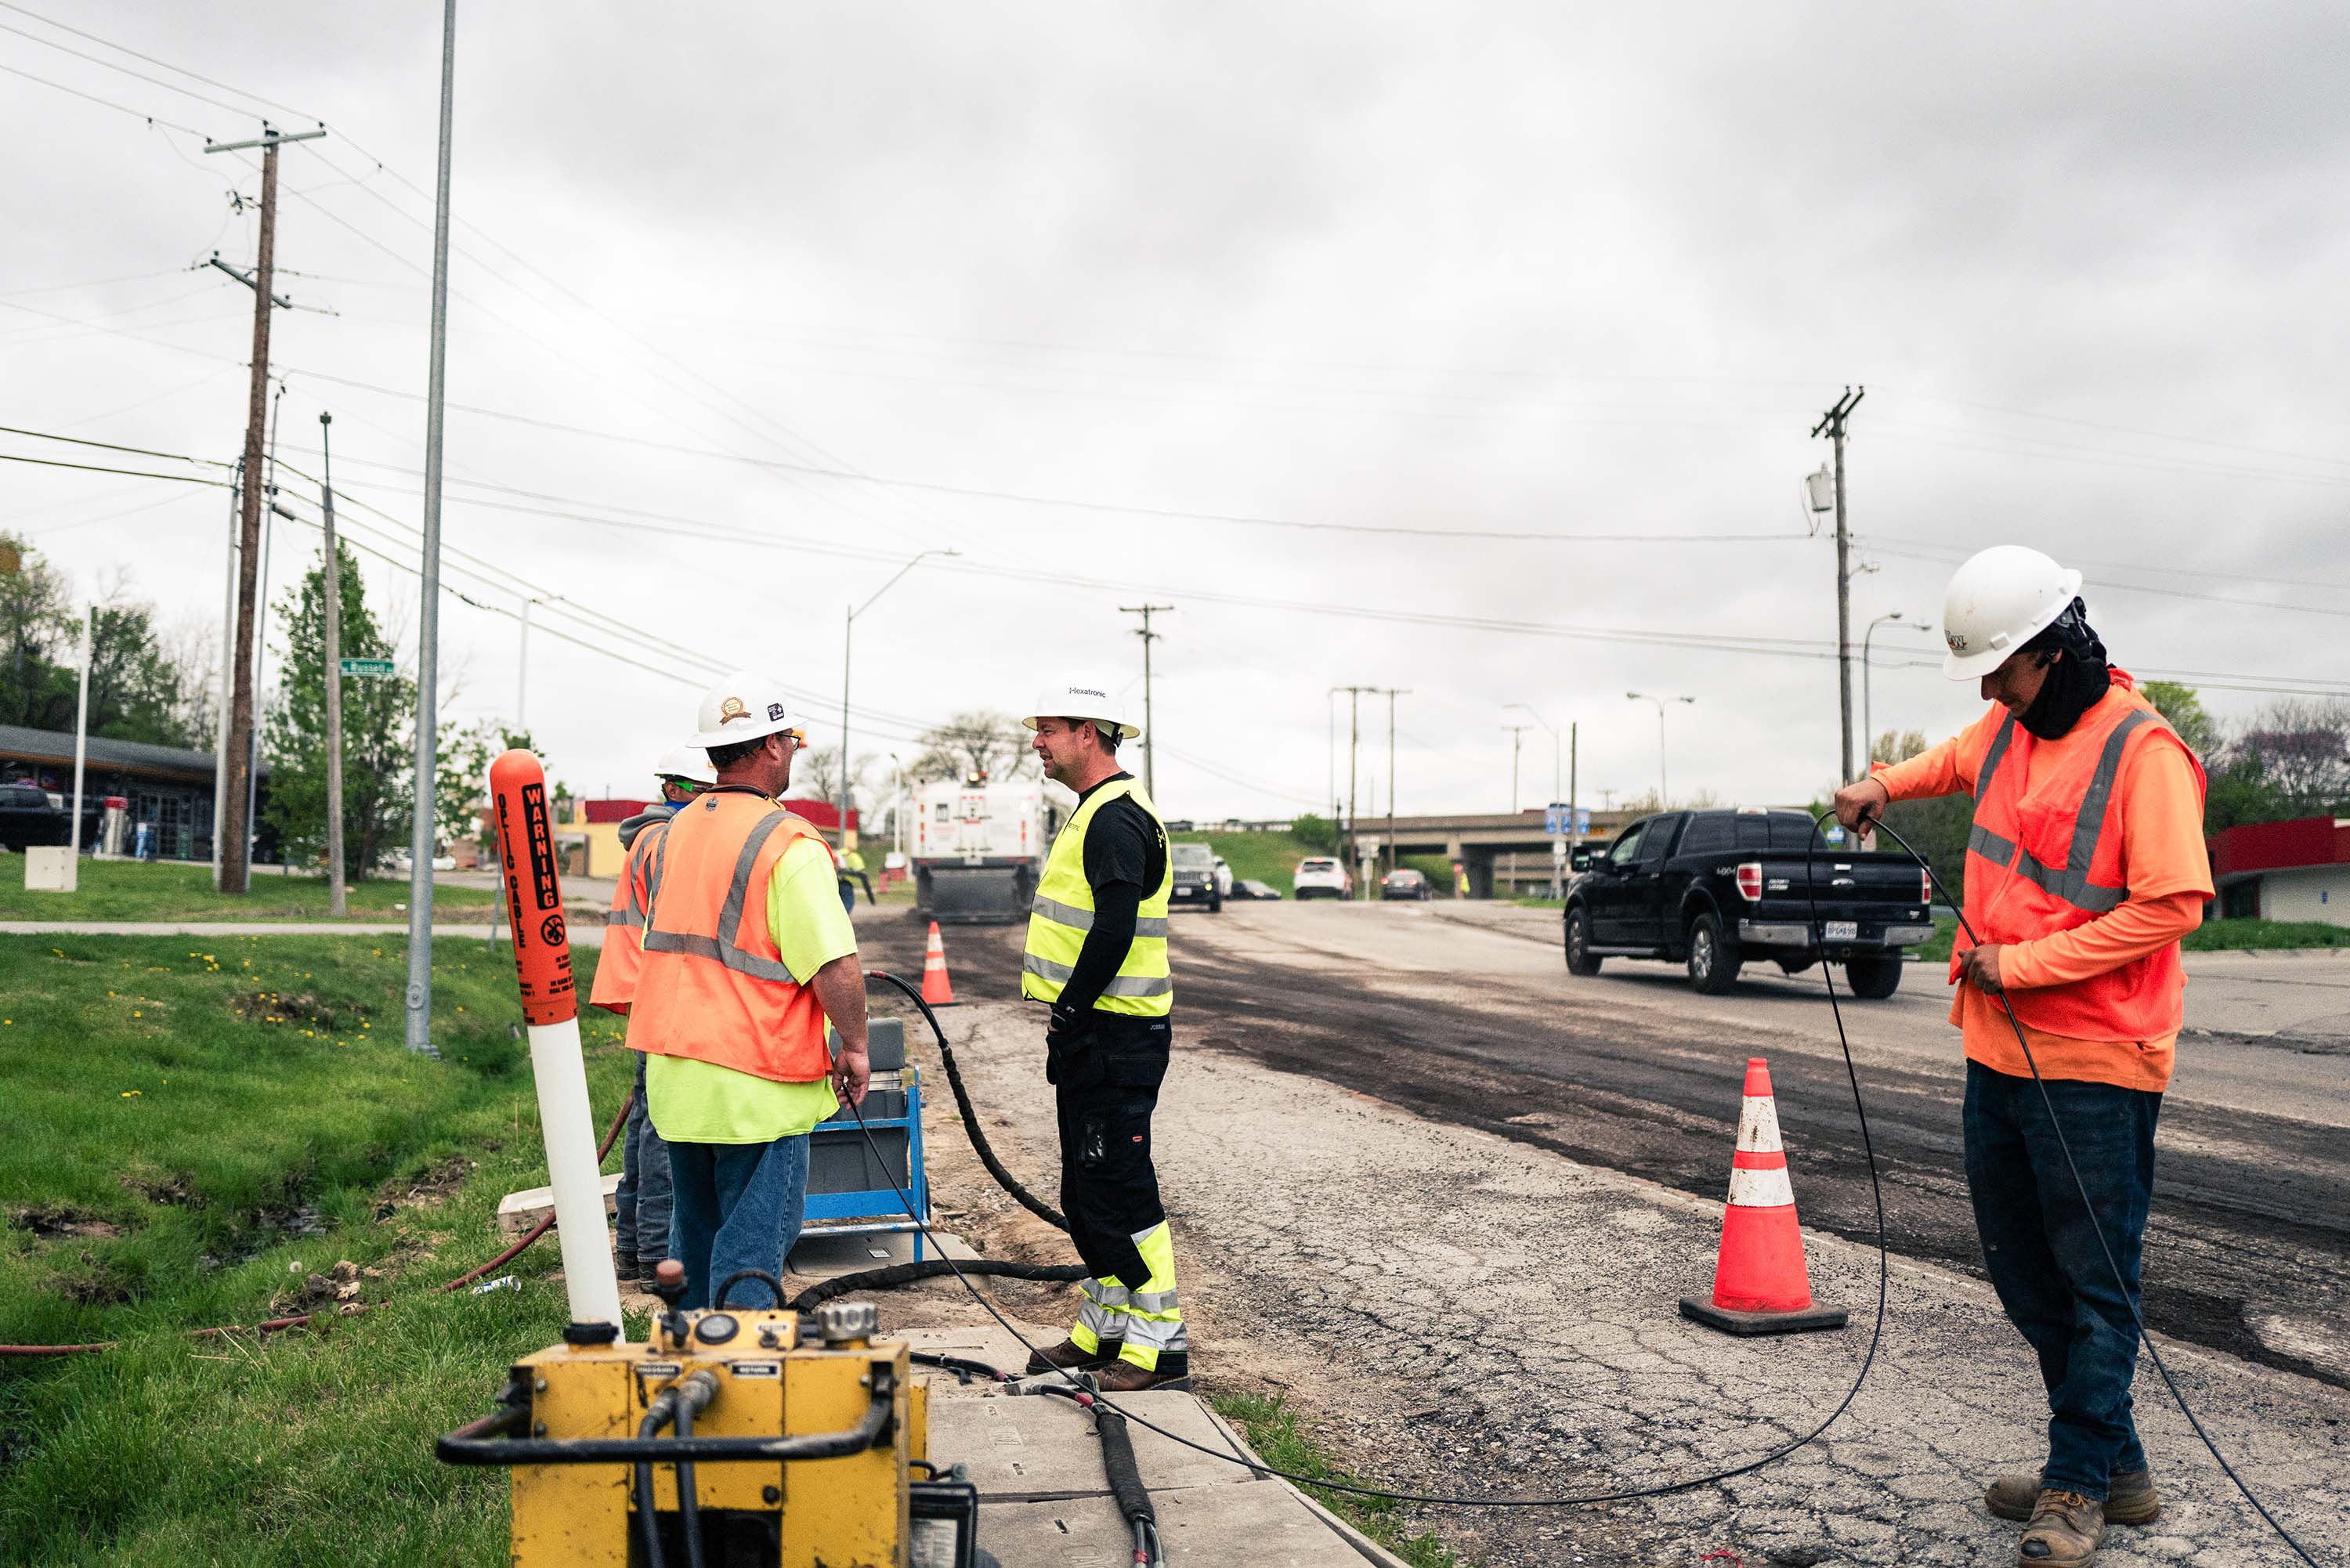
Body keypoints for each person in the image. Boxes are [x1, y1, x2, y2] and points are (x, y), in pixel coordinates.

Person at [1832, 546, 2209, 1568]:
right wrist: (1880, 784)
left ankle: (2079, 1482)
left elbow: (2174, 904)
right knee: (2022, 1269)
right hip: (1997, 1050)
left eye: (2002, 670)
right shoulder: (2011, 724)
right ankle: (2114, 1466)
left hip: (2097, 1059)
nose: (1991, 691)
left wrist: (2029, 963)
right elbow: (1952, 760)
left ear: (2057, 650)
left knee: (2097, 1282)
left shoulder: (2146, 753)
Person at [624, 675, 871, 1310]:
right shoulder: (785, 841)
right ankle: (742, 1388)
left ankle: (692, 1382)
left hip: (678, 1080)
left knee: (697, 1245)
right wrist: (856, 1046)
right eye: (791, 740)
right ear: (768, 748)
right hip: (755, 1084)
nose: (793, 751)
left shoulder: (674, 833)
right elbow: (835, 965)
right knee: (752, 1253)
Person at [1016, 677, 1188, 1392]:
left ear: (1089, 733)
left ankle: (1159, 1346)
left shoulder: (1115, 818)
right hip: (1096, 1035)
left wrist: (1070, 1009)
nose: (1037, 743)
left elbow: (1115, 928)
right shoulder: (1096, 812)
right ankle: (1106, 1329)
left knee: (1119, 1187)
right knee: (1087, 1192)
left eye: (1048, 729)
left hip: (1114, 1035)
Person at [588, 746, 714, 1288]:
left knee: (647, 1125)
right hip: (666, 997)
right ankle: (658, 1255)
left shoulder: (648, 835)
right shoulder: (667, 841)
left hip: (649, 994)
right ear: (683, 791)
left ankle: (636, 1252)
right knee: (665, 1129)